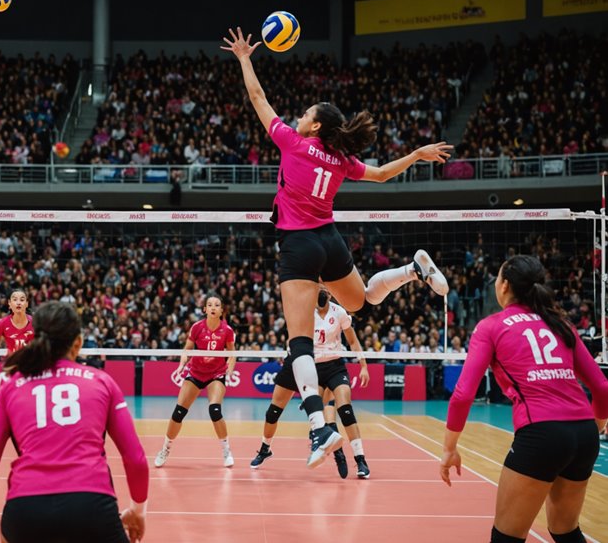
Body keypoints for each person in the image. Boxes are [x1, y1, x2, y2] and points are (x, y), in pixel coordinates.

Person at [222, 27, 452, 467]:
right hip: (331, 240)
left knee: (299, 345)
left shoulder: (293, 141)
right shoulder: (342, 160)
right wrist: (416, 155)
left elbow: (257, 99)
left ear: (315, 125)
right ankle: (409, 271)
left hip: (300, 244)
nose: (299, 115)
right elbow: (383, 174)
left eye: (305, 113)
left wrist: (245, 58)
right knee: (360, 301)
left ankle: (319, 429)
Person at [441, 255, 608, 543]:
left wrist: (449, 448)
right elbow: (602, 387)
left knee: (507, 537)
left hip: (541, 432)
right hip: (584, 434)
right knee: (566, 531)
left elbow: (463, 394)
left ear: (504, 286)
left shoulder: (491, 326)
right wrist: (596, 424)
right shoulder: (560, 323)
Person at [0, 301, 149, 543]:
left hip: (26, 509)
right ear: (78, 342)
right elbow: (136, 460)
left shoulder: (9, 387)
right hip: (91, 507)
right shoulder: (101, 381)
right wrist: (137, 512)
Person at [250, 287, 372, 480]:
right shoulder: (304, 309)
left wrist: (363, 365)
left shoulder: (339, 312)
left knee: (344, 409)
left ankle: (360, 459)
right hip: (304, 362)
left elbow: (353, 341)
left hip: (333, 365)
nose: (323, 293)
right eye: (319, 289)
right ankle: (265, 448)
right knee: (273, 412)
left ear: (332, 293)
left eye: (326, 290)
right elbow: (292, 335)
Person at [154, 293, 236, 468]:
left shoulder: (227, 330)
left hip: (216, 373)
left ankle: (226, 450)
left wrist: (230, 368)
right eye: (210, 305)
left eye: (217, 305)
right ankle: (165, 449)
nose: (213, 307)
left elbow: (232, 353)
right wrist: (181, 365)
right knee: (178, 412)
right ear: (205, 309)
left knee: (215, 410)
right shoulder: (197, 327)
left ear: (221, 310)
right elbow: (187, 349)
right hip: (196, 372)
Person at [0, 288, 34, 363]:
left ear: (27, 303)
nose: (18, 303)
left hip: (31, 363)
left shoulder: (35, 322)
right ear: (9, 303)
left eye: (22, 300)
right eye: (15, 300)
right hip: (11, 363)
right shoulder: (2, 323)